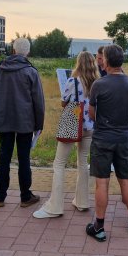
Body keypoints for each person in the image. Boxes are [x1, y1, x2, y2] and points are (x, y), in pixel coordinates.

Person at [86, 44, 128, 242]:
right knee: (125, 180)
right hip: (123, 137)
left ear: (107, 60)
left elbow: (92, 114)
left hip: (102, 138)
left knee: (102, 182)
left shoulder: (99, 85)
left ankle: (99, 226)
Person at [0, 37, 44, 209]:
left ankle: (0, 197)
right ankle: (25, 196)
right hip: (25, 122)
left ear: (13, 50)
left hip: (4, 120)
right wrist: (39, 124)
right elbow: (38, 101)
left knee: (4, 158)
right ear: (27, 52)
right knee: (24, 159)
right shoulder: (31, 72)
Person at [33, 52, 99, 218]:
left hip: (73, 123)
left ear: (78, 64)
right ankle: (82, 201)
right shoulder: (98, 83)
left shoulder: (73, 81)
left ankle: (55, 206)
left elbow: (64, 102)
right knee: (83, 162)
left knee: (59, 164)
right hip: (90, 126)